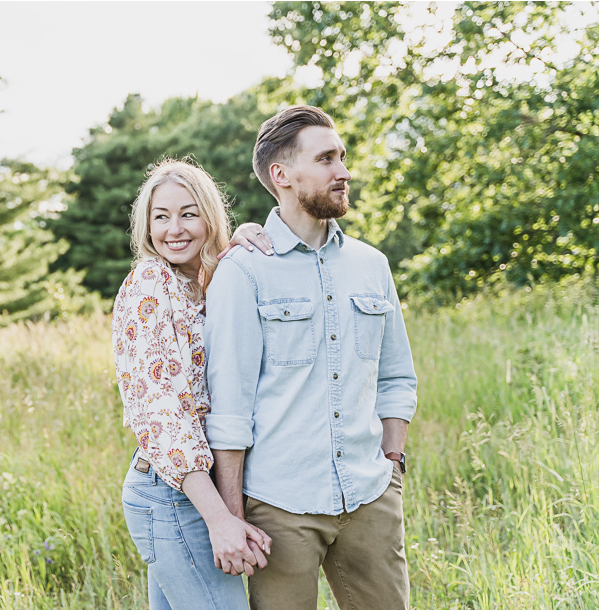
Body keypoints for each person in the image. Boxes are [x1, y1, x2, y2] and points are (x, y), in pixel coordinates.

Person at [204, 105, 418, 609]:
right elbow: (230, 409)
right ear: (281, 175)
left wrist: (391, 465)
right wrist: (234, 517)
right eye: (326, 159)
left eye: (342, 157)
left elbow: (396, 377)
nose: (343, 171)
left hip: (370, 496)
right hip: (280, 508)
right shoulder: (245, 271)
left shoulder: (372, 265)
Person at [112, 159, 274, 610]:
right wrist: (220, 518)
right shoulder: (151, 281)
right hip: (174, 492)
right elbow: (165, 412)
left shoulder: (194, 283)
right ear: (146, 226)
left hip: (185, 488)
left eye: (188, 213)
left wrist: (235, 247)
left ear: (209, 216)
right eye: (160, 217)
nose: (174, 229)